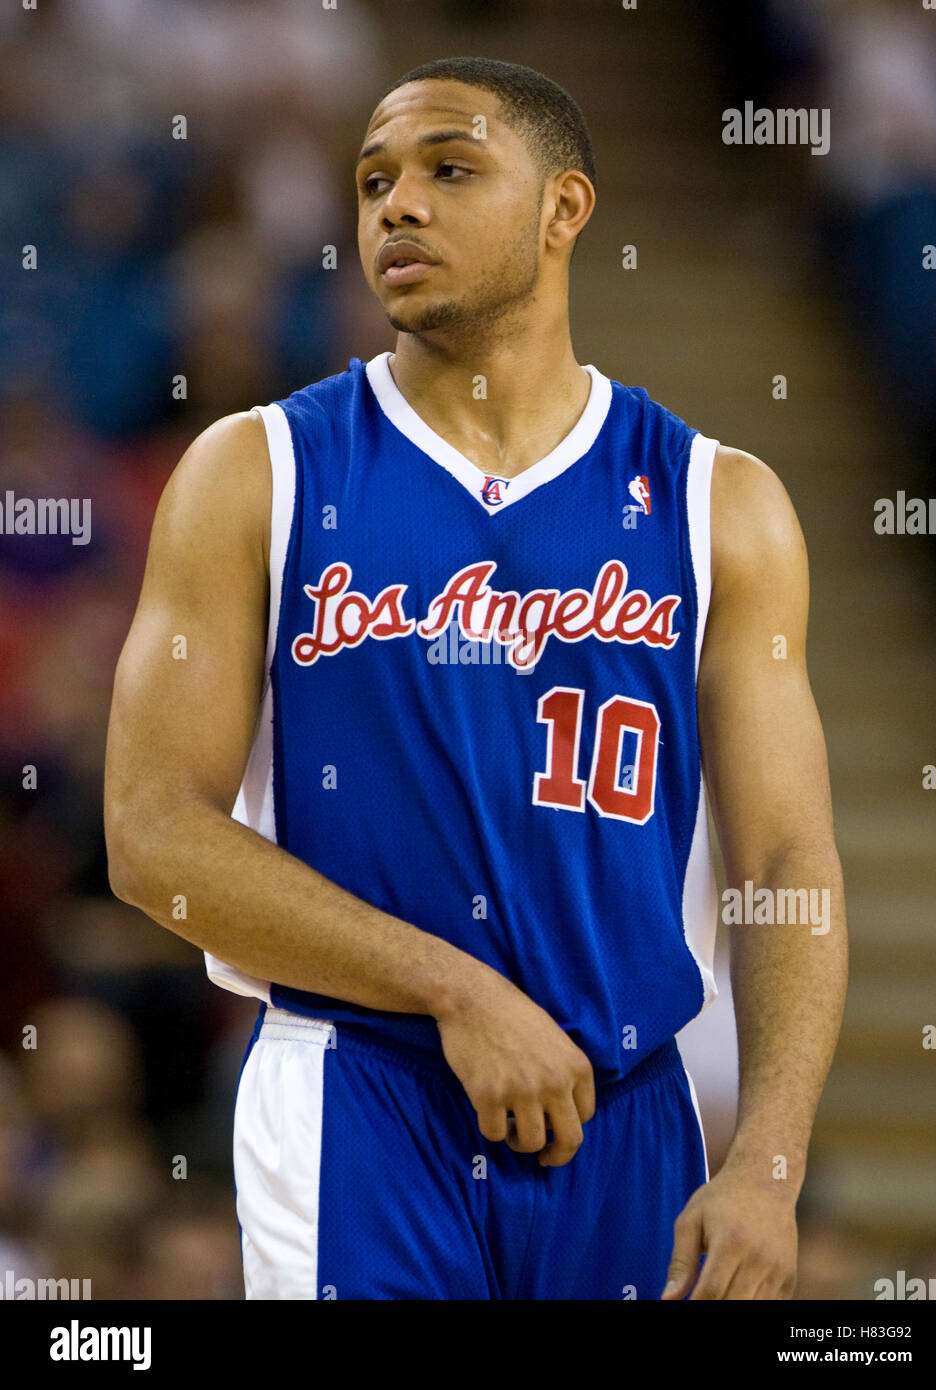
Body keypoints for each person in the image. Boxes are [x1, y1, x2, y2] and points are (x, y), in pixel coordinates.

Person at [104, 56, 848, 1301]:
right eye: (374, 180)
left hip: (629, 1115)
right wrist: (455, 990)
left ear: (564, 210)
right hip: (358, 1091)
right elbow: (150, 836)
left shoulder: (722, 506)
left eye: (449, 170)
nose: (398, 205)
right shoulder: (257, 471)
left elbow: (785, 867)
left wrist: (767, 1164)